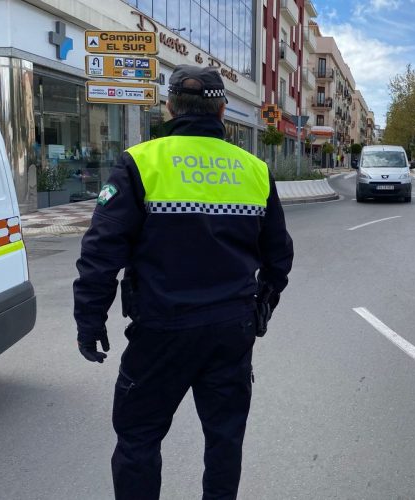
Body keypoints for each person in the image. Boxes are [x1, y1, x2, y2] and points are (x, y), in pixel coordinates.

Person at [73, 65, 294, 499]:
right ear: (223, 109)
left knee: (138, 439)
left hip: (161, 329)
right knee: (225, 440)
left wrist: (90, 321)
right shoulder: (253, 169)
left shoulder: (141, 162)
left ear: (170, 106)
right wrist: (262, 305)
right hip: (232, 329)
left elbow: (101, 252)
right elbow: (279, 257)